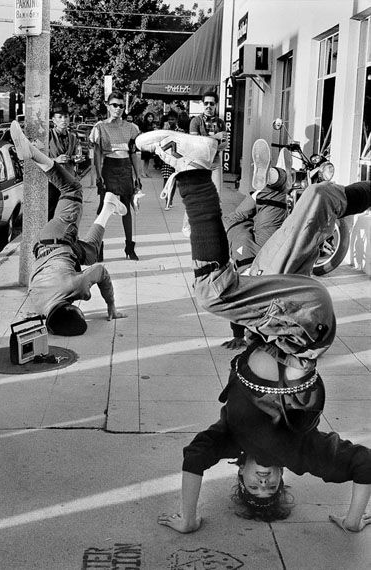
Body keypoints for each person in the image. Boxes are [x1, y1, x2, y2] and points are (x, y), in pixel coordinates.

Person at [135, 128, 371, 533]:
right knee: (213, 294)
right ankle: (194, 172)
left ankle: (217, 171)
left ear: (239, 472)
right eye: (271, 487)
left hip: (278, 304)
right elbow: (365, 464)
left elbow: (193, 458)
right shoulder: (305, 454)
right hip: (306, 327)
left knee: (317, 199)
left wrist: (189, 519)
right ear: (282, 478)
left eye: (254, 487)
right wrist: (352, 521)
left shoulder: (229, 435)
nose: (264, 482)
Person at [9, 120, 127, 336]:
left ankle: (32, 153)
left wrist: (111, 305)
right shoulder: (40, 306)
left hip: (59, 238)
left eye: (78, 312)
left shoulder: (76, 287)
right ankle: (109, 205)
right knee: (91, 254)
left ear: (71, 308)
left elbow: (102, 273)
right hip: (51, 247)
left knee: (72, 189)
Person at [222, 141, 292, 349]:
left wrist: (238, 336)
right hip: (268, 242)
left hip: (253, 249)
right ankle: (277, 176)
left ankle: (276, 178)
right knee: (267, 207)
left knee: (237, 221)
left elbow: (237, 303)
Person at [90, 91, 141, 261]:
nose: (118, 109)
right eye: (114, 105)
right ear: (107, 105)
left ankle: (129, 247)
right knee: (103, 208)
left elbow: (134, 153)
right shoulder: (100, 127)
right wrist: (98, 175)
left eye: (121, 106)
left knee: (127, 207)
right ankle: (98, 246)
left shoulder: (130, 128)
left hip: (125, 168)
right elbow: (97, 154)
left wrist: (137, 176)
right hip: (109, 168)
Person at [189, 91, 227, 194]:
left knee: (216, 194)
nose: (208, 106)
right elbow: (195, 141)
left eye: (212, 103)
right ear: (203, 104)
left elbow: (224, 144)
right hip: (198, 160)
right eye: (206, 103)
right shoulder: (196, 121)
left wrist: (216, 144)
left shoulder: (220, 123)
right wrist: (215, 137)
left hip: (215, 159)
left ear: (216, 105)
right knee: (196, 195)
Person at [48, 103, 81, 220]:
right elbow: (39, 158)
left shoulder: (73, 137)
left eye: (66, 116)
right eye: (60, 117)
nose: (63, 120)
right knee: (51, 212)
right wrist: (55, 160)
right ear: (53, 120)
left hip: (68, 180)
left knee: (67, 212)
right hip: (53, 181)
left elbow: (77, 155)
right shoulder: (48, 135)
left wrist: (75, 159)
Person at [160, 109, 185, 210]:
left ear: (177, 120)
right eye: (169, 119)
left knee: (174, 180)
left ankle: (170, 200)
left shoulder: (181, 132)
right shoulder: (165, 131)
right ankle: (167, 200)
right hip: (166, 160)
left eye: (173, 119)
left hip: (177, 160)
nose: (171, 121)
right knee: (166, 180)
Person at [139, 112, 156, 177]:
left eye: (151, 117)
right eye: (149, 117)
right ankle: (143, 172)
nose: (150, 118)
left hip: (150, 144)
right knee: (144, 158)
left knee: (148, 159)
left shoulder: (152, 125)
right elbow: (142, 133)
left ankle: (146, 172)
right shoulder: (144, 124)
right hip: (145, 143)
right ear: (146, 117)